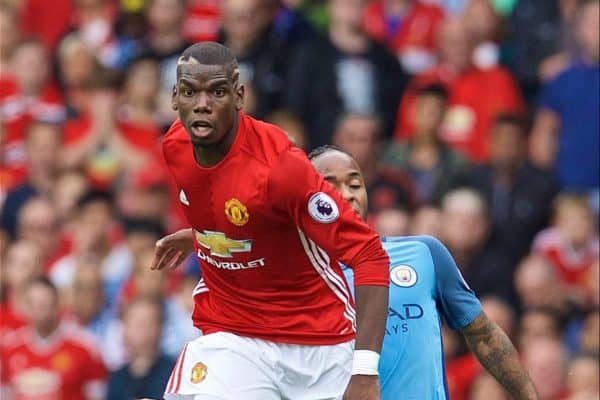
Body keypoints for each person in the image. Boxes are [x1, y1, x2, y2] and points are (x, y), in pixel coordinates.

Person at [152, 42, 390, 400]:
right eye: (190, 92)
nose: (201, 104)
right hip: (233, 336)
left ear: (239, 96)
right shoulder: (175, 145)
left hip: (317, 343)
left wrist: (365, 371)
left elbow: (370, 255)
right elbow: (237, 210)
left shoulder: (280, 169)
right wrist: (201, 236)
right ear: (174, 97)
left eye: (217, 91)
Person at [307, 144, 538, 400]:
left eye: (354, 184)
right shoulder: (294, 277)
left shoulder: (423, 253)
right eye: (331, 185)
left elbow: (484, 335)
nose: (348, 194)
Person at [0, 277, 107, 399]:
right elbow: (5, 394)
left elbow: (97, 394)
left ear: (57, 304)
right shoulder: (10, 347)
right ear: (25, 307)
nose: (39, 308)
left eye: (45, 302)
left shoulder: (85, 346)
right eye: (33, 303)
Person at [106, 296, 175, 400]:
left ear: (160, 328)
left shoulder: (174, 374)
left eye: (147, 323)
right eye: (134, 323)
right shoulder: (116, 378)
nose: (141, 329)